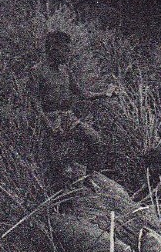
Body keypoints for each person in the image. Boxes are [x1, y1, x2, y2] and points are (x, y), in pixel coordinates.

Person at [35, 31, 115, 175]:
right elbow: (34, 103)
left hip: (68, 118)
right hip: (48, 120)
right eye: (65, 49)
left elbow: (81, 92)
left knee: (95, 139)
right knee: (54, 166)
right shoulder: (38, 71)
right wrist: (49, 124)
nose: (68, 53)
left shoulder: (65, 70)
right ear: (53, 48)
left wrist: (105, 94)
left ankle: (90, 178)